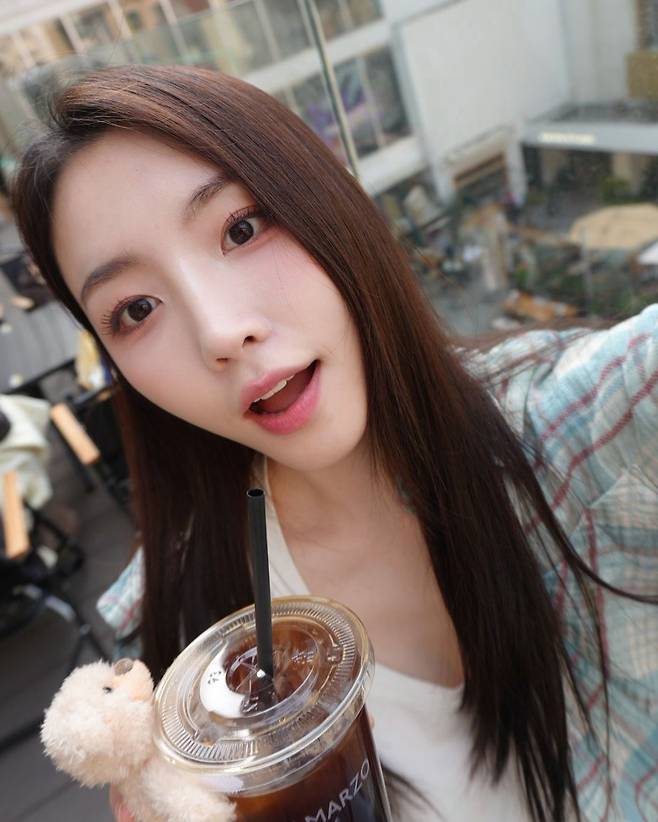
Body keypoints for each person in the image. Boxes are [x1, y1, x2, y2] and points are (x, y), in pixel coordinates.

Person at [11, 65, 657, 822]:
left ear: (326, 200)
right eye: (136, 308)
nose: (220, 332)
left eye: (241, 229)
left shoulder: (580, 429)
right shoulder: (191, 629)